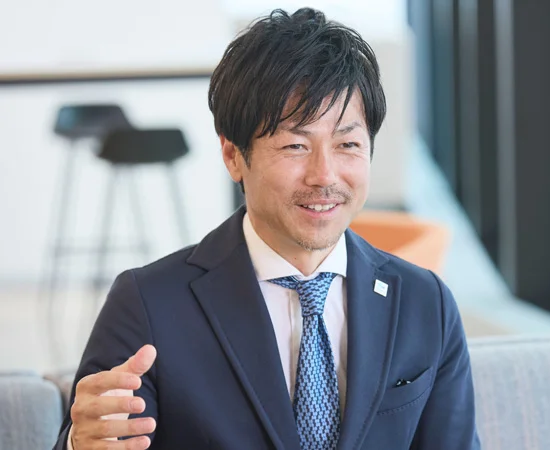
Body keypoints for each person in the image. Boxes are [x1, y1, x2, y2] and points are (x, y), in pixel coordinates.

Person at [54, 7, 480, 450]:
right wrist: (80, 444)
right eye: (295, 145)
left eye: (348, 144)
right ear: (233, 156)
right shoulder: (149, 305)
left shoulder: (424, 303)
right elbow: (101, 434)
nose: (324, 175)